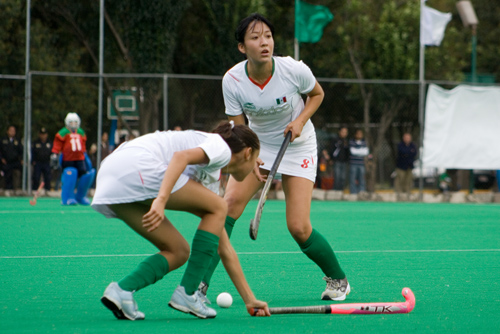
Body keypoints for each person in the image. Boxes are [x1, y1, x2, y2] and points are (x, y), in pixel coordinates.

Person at [198, 13, 350, 303]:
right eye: (255, 38)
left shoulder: (292, 69)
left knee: (299, 227)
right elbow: (238, 128)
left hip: (298, 144)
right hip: (256, 146)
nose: (263, 42)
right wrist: (250, 158)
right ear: (242, 47)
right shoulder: (232, 80)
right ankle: (199, 286)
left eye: (267, 36)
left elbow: (317, 94)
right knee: (225, 208)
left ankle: (338, 280)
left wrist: (301, 121)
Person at [91, 121, 270, 320]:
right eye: (255, 158)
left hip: (111, 175)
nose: (257, 167)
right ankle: (187, 292)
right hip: (137, 166)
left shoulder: (210, 173)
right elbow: (180, 157)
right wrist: (161, 199)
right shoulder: (220, 147)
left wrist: (250, 299)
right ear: (248, 153)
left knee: (178, 251)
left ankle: (122, 291)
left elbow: (224, 247)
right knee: (220, 206)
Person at [51, 113, 95, 205]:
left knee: (84, 175)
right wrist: (55, 154)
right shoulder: (63, 132)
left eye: (75, 122)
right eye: (71, 122)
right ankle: (67, 197)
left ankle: (80, 196)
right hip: (68, 159)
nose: (73, 124)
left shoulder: (81, 132)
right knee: (70, 174)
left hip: (80, 158)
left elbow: (82, 146)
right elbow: (57, 145)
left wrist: (85, 155)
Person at [0, 125, 23, 196]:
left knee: (17, 173)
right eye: (11, 130)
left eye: (13, 131)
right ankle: (6, 190)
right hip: (6, 162)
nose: (12, 132)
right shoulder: (2, 140)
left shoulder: (17, 140)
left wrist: (22, 159)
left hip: (15, 162)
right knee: (6, 174)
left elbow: (21, 151)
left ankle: (16, 190)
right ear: (7, 131)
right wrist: (1, 158)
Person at [395, 133, 417, 200]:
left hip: (409, 166)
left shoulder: (413, 145)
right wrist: (409, 152)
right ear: (403, 138)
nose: (407, 139)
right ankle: (399, 195)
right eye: (406, 137)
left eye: (409, 137)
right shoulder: (400, 145)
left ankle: (407, 194)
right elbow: (403, 152)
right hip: (401, 166)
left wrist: (407, 152)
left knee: (408, 180)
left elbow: (414, 153)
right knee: (400, 179)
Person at [31, 127, 52, 195]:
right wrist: (33, 161)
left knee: (47, 177)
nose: (43, 136)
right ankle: (34, 191)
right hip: (38, 162)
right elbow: (32, 152)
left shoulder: (50, 143)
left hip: (47, 162)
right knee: (36, 177)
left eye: (44, 134)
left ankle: (47, 191)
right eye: (42, 134)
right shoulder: (36, 142)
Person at [349, 129, 369, 194]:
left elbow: (366, 152)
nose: (359, 135)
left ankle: (361, 193)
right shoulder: (351, 142)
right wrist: (361, 151)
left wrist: (357, 151)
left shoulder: (364, 142)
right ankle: (353, 193)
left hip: (361, 164)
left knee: (362, 179)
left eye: (361, 134)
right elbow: (353, 152)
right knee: (352, 179)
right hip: (353, 164)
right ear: (355, 134)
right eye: (358, 133)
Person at [332, 127, 350, 191]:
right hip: (337, 161)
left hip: (344, 162)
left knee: (343, 177)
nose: (344, 133)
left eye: (345, 132)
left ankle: (341, 190)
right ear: (339, 132)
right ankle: (336, 191)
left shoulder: (347, 141)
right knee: (337, 176)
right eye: (342, 132)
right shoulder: (335, 140)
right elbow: (332, 150)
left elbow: (348, 152)